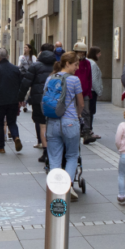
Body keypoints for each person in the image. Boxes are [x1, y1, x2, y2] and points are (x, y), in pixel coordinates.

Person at [44, 52, 88, 197]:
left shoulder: (50, 78)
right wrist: (78, 113)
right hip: (70, 123)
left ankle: (55, 189)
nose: (77, 68)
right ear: (67, 64)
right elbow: (81, 103)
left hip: (52, 122)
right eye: (75, 64)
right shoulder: (74, 80)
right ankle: (67, 186)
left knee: (54, 157)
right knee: (72, 155)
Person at [0, 48, 28, 153]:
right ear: (8, 56)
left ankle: (1, 147)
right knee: (12, 122)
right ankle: (16, 137)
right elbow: (20, 85)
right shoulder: (15, 69)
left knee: (0, 123)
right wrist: (21, 99)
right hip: (13, 100)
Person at [26, 48, 54, 152]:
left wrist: (20, 98)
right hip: (53, 98)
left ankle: (43, 145)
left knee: (41, 123)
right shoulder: (56, 66)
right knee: (52, 122)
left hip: (38, 99)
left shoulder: (35, 66)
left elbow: (26, 82)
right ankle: (52, 145)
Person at [71, 42, 95, 143]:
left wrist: (89, 92)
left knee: (86, 112)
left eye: (83, 52)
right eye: (79, 52)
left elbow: (89, 78)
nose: (81, 54)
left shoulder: (87, 63)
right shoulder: (71, 62)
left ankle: (86, 132)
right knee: (72, 111)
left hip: (84, 91)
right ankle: (74, 131)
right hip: (72, 91)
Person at [85, 47, 105, 141]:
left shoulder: (87, 62)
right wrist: (99, 91)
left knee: (88, 111)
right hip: (92, 91)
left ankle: (87, 130)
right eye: (98, 53)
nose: (100, 55)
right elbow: (94, 79)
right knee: (90, 111)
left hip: (88, 90)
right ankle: (89, 131)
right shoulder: (92, 63)